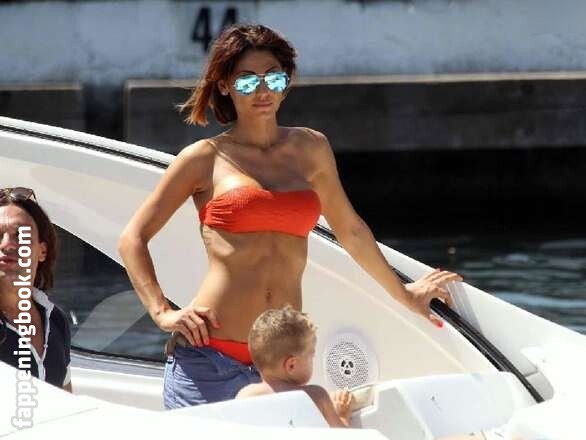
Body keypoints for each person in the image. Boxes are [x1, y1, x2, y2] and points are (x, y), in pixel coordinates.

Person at [117, 23, 462, 409]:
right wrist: (163, 312)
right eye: (247, 81)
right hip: (210, 359)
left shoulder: (311, 148)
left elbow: (350, 230)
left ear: (286, 82)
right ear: (225, 86)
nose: (262, 91)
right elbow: (132, 239)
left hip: (283, 366)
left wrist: (406, 294)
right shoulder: (203, 158)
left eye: (273, 78)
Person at [0, 187, 72, 391]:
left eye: (20, 235)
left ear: (42, 251)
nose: (7, 245)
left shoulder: (56, 320)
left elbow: (67, 401)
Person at [236, 305, 353, 427]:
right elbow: (341, 435)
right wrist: (342, 415)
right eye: (311, 356)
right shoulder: (317, 397)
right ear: (291, 365)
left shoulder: (245, 396)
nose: (313, 361)